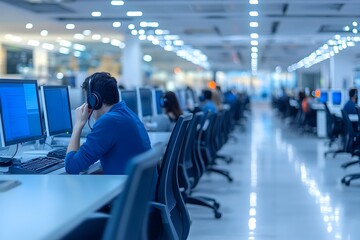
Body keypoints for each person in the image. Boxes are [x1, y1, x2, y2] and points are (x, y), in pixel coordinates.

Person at [65, 72, 151, 174]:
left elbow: (71, 167)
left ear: (94, 100)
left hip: (128, 188)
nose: (88, 105)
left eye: (88, 100)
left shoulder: (108, 122)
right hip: (140, 186)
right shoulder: (126, 113)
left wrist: (78, 125)